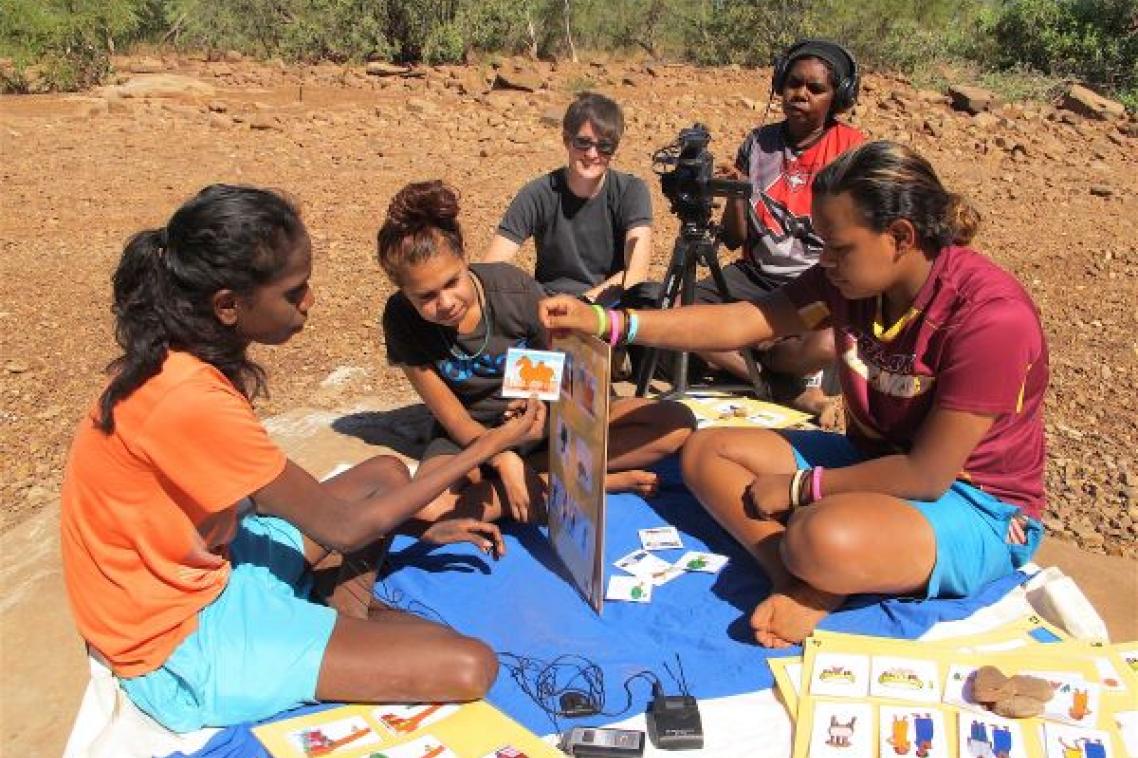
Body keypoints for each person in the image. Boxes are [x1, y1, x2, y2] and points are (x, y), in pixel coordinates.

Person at [60, 185, 547, 733]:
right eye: (294, 291)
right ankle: (323, 622)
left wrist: (413, 515)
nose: (309, 300)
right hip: (173, 635)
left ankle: (339, 615)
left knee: (387, 474)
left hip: (206, 559)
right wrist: (489, 445)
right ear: (228, 306)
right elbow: (343, 528)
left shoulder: (178, 360)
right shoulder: (189, 397)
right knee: (468, 664)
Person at [541, 141, 1048, 648]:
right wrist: (610, 322)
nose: (824, 260)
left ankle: (819, 566)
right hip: (873, 457)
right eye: (821, 242)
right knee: (706, 450)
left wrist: (801, 488)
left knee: (819, 535)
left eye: (839, 246)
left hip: (976, 503)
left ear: (899, 237)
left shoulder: (989, 319)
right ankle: (796, 578)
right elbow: (746, 320)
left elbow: (928, 474)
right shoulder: (851, 282)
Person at [380, 180, 694, 524]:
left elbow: (572, 368)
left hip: (544, 424)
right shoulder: (401, 319)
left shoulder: (513, 290)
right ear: (404, 293)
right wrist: (501, 455)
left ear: (465, 260)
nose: (446, 303)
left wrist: (544, 409)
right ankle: (575, 480)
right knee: (427, 506)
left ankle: (527, 480)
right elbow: (453, 417)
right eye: (426, 297)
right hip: (473, 436)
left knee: (674, 423)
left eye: (452, 282)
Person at [699, 39, 866, 424]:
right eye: (793, 83)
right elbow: (734, 239)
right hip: (755, 274)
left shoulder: (852, 151)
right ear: (779, 83)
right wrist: (738, 193)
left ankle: (757, 351)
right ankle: (785, 389)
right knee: (677, 307)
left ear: (837, 97)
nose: (800, 95)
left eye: (815, 88)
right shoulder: (758, 144)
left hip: (817, 278)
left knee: (826, 342)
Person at [481, 91, 654, 308]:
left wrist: (582, 306)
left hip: (607, 307)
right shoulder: (538, 193)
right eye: (583, 143)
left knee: (653, 296)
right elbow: (492, 265)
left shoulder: (631, 191)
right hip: (549, 306)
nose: (592, 154)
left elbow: (636, 272)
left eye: (604, 147)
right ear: (566, 141)